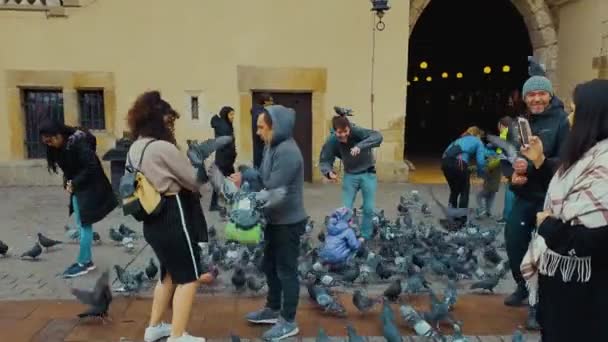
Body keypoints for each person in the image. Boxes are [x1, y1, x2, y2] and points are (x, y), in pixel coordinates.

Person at [519, 79, 608, 341]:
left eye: (574, 110)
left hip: (587, 298)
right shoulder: (589, 155)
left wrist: (548, 226)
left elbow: (595, 239)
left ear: (593, 117)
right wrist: (541, 162)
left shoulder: (604, 164)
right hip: (566, 287)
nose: (569, 116)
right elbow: (571, 189)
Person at [127, 91, 212, 342]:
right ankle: (177, 335)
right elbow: (193, 181)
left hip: (151, 217)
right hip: (174, 214)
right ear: (158, 119)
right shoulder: (162, 147)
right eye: (168, 120)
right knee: (189, 277)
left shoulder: (136, 146)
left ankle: (154, 328)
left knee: (168, 274)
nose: (171, 125)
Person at [232, 105, 307, 340]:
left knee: (286, 271)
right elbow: (263, 178)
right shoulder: (271, 147)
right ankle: (273, 309)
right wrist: (245, 179)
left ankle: (288, 321)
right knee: (270, 266)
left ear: (276, 127)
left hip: (288, 221)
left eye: (261, 127)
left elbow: (272, 187)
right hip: (275, 219)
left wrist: (247, 199)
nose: (258, 132)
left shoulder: (287, 152)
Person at [502, 73, 570, 331]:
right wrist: (513, 176)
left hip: (549, 198)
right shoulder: (518, 123)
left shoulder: (562, 122)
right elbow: (506, 158)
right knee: (514, 241)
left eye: (541, 93)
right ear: (525, 98)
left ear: (549, 95)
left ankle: (537, 305)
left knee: (542, 251)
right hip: (524, 195)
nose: (537, 98)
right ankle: (523, 285)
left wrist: (535, 165)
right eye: (531, 94)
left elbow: (565, 162)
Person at [39, 121, 117, 278]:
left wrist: (74, 182)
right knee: (82, 223)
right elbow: (68, 168)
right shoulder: (59, 147)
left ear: (59, 135)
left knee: (84, 224)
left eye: (50, 140)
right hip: (79, 188)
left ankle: (84, 262)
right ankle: (85, 261)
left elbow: (91, 167)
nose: (49, 145)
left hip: (90, 187)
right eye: (46, 142)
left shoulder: (78, 143)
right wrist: (67, 182)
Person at [319, 115, 383, 239]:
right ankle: (345, 234)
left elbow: (378, 136)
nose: (343, 135)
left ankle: (365, 236)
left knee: (368, 209)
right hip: (350, 175)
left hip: (368, 173)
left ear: (349, 129)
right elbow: (325, 160)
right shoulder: (332, 140)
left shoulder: (357, 132)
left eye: (345, 132)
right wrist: (329, 172)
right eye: (339, 132)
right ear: (334, 131)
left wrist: (360, 146)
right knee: (346, 209)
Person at [441, 126, 486, 209]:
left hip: (444, 163)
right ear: (478, 135)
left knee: (454, 190)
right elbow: (480, 162)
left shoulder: (459, 139)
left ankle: (451, 214)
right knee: (464, 191)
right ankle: (461, 219)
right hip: (459, 163)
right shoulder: (478, 142)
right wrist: (481, 175)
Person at [209, 106, 236, 211]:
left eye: (233, 114)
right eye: (231, 114)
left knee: (228, 179)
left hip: (225, 158)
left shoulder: (224, 125)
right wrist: (232, 154)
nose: (233, 117)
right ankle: (215, 204)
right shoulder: (224, 127)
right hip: (224, 158)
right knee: (226, 180)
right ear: (225, 114)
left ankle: (229, 199)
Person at [251, 93, 274, 169]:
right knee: (261, 161)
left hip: (259, 140)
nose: (272, 103)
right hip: (261, 139)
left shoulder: (256, 110)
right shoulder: (261, 113)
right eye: (270, 101)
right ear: (265, 101)